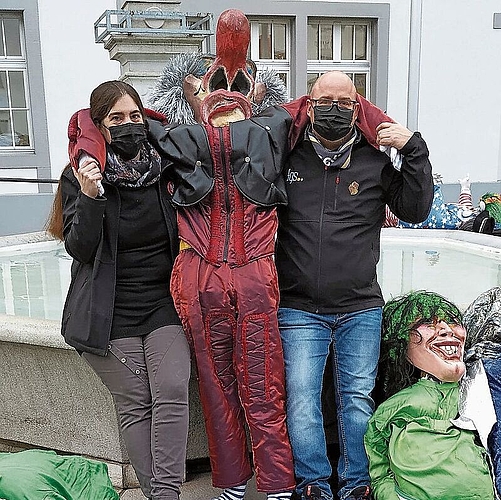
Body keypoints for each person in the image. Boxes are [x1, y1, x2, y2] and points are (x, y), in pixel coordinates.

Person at [274, 70, 434, 500]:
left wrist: (412, 148)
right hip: (298, 307)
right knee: (302, 399)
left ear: (357, 106)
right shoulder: (285, 158)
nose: (335, 110)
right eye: (325, 101)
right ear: (308, 105)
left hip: (360, 307)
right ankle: (312, 483)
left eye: (345, 102)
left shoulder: (374, 161)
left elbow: (416, 208)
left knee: (357, 400)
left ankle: (357, 482)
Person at [45, 80, 191, 500]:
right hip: (110, 312)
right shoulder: (81, 176)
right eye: (116, 119)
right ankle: (164, 494)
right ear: (100, 126)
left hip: (163, 304)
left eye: (134, 116)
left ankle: (163, 494)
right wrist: (91, 196)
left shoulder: (164, 168)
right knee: (135, 401)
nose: (128, 125)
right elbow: (79, 247)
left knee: (172, 389)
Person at [364, 290, 496, 500]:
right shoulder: (394, 407)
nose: (445, 329)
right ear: (400, 342)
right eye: (429, 322)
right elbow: (378, 468)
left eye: (452, 321)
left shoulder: (483, 387)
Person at [0, 449, 119, 499]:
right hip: (85, 470)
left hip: (94, 494)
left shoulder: (28, 491)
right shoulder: (4, 460)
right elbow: (49, 454)